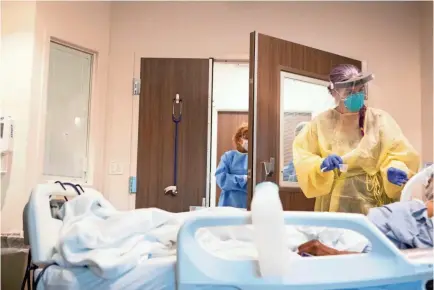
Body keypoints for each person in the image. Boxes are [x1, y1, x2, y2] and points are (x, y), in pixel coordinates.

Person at [293, 64, 420, 214]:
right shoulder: (319, 124)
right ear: (334, 92)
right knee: (337, 235)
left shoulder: (378, 119)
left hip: (376, 199)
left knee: (373, 235)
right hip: (336, 200)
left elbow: (398, 152)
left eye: (360, 90)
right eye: (349, 92)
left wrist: (394, 169)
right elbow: (303, 157)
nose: (357, 95)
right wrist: (321, 164)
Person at [298, 170, 433, 256]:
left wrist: (333, 253)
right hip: (357, 229)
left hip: (359, 241)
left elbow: (382, 260)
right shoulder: (413, 210)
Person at [215, 123, 248, 208]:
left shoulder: (255, 159)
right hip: (228, 205)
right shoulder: (228, 157)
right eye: (246, 138)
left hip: (249, 206)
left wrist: (233, 179)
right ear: (238, 139)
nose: (248, 141)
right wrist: (243, 179)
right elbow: (221, 179)